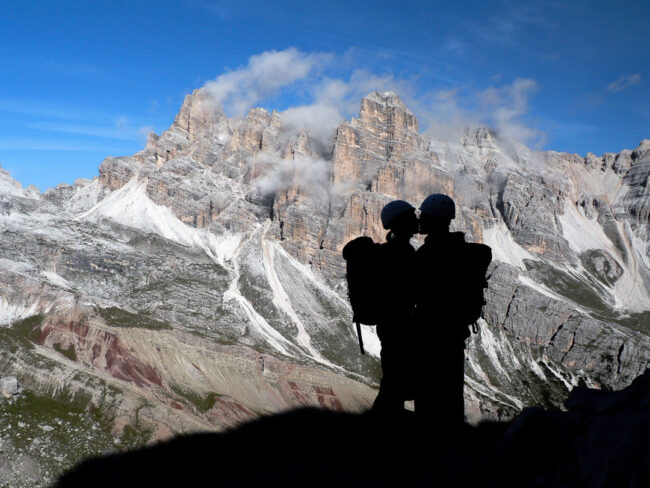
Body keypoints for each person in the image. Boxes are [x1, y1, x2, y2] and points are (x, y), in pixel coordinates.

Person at [413, 194, 482, 431]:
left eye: (424, 215)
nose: (419, 219)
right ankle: (453, 440)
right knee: (451, 390)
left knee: (428, 391)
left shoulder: (428, 253)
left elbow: (415, 292)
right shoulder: (460, 250)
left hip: (431, 333)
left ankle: (429, 442)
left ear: (435, 219)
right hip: (454, 333)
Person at [371, 200, 418, 415]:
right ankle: (381, 428)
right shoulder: (401, 252)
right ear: (401, 223)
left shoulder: (391, 250)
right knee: (394, 380)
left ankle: (385, 422)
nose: (417, 221)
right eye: (411, 218)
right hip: (398, 325)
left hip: (390, 324)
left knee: (393, 378)